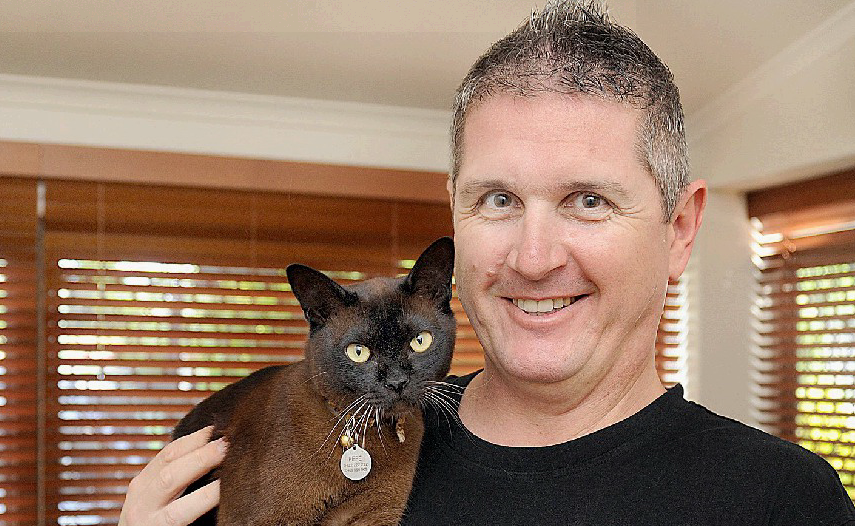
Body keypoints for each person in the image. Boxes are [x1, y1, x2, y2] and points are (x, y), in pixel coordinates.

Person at [120, 1, 855, 524]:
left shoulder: (782, 501)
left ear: (680, 230)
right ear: (454, 213)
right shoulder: (344, 444)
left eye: (589, 201)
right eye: (497, 200)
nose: (532, 260)